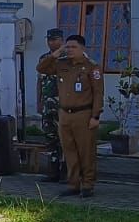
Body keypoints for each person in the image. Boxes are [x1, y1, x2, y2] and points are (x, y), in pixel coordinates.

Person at [36, 33, 103, 198]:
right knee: (69, 151)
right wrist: (56, 54)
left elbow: (98, 93)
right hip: (65, 114)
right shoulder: (61, 64)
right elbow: (42, 68)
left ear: (83, 49)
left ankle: (87, 184)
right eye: (68, 47)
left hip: (84, 113)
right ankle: (73, 184)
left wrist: (96, 116)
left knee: (86, 151)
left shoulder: (91, 67)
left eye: (74, 47)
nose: (70, 50)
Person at [37, 27, 66, 179]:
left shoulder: (67, 58)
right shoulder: (45, 59)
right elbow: (40, 81)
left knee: (64, 139)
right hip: (48, 105)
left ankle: (65, 172)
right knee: (50, 138)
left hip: (63, 105)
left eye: (54, 40)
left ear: (62, 40)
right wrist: (39, 101)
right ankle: (53, 171)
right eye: (49, 40)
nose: (51, 43)